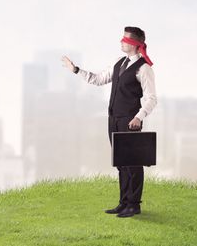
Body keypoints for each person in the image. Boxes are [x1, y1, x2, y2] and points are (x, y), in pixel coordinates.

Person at [61, 26, 157, 218]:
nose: (121, 41)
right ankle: (123, 203)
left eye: (125, 39)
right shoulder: (119, 63)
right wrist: (76, 70)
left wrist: (139, 117)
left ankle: (134, 205)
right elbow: (98, 79)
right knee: (121, 163)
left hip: (130, 122)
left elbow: (151, 98)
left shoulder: (144, 68)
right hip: (113, 120)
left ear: (135, 44)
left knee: (133, 165)